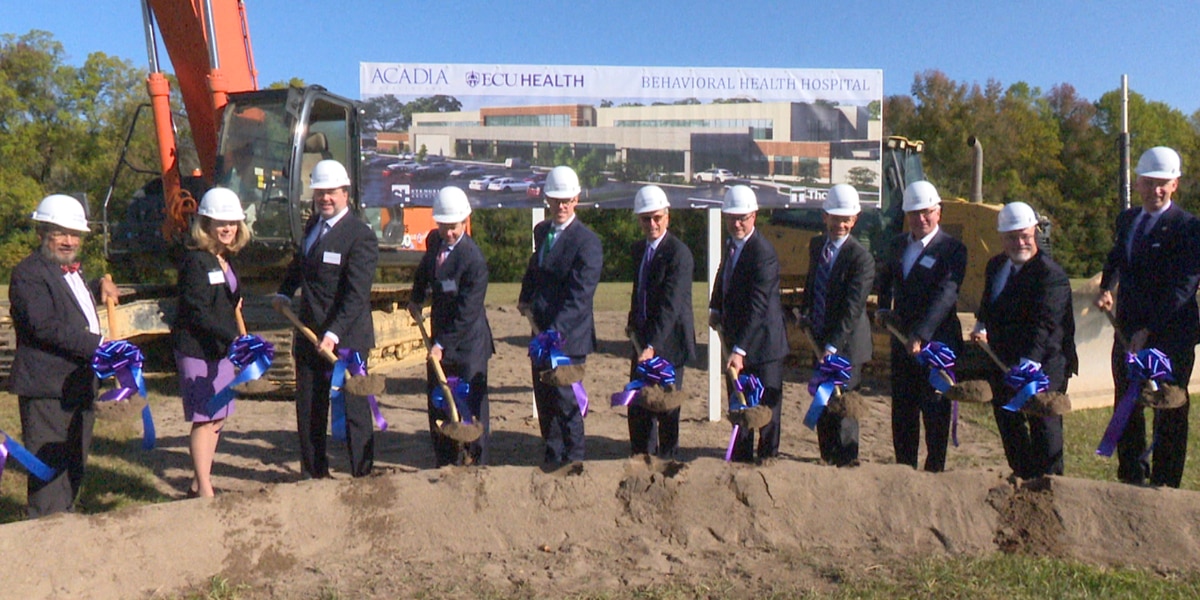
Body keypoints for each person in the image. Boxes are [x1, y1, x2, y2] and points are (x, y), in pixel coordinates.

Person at [1095, 146, 1200, 487]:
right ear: (1137, 183)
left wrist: (1149, 331)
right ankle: (1131, 476)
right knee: (1127, 405)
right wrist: (1106, 286)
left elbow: (1183, 289)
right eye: (1149, 182)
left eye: (1163, 183)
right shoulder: (1128, 220)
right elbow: (1116, 257)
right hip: (1126, 331)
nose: (1155, 190)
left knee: (1168, 410)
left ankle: (1166, 485)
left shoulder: (1189, 228)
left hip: (1171, 336)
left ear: (1174, 185)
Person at [9, 194, 118, 517]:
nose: (69, 241)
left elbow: (70, 303)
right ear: (42, 232)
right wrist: (97, 345)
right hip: (46, 388)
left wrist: (100, 284)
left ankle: (65, 529)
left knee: (74, 464)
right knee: (50, 471)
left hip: (78, 384)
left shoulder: (69, 271)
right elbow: (44, 326)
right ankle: (44, 537)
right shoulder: (28, 273)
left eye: (75, 235)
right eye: (60, 233)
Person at [275, 159, 379, 479]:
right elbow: (300, 266)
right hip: (308, 333)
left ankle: (361, 474)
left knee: (354, 410)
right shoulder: (312, 228)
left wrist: (334, 333)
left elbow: (356, 294)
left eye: (331, 192)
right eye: (320, 192)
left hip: (346, 339)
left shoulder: (359, 236)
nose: (325, 198)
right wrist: (284, 291)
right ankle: (314, 475)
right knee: (309, 408)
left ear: (345, 193)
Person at [972, 202, 1076, 479]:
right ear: (1002, 238)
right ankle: (1023, 476)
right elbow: (989, 302)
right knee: (1008, 418)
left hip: (1044, 362)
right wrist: (981, 324)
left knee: (1043, 421)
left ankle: (1051, 482)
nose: (1020, 243)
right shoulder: (996, 266)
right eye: (1012, 237)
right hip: (1003, 358)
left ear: (1035, 233)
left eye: (1025, 236)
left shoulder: (1050, 275)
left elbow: (1046, 325)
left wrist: (1029, 363)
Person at [876, 180, 967, 472]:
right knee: (903, 408)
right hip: (902, 340)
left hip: (936, 344)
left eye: (927, 212)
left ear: (938, 211)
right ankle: (904, 468)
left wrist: (922, 335)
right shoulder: (898, 245)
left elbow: (946, 295)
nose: (922, 219)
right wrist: (882, 306)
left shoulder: (952, 249)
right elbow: (886, 277)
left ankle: (934, 470)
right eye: (915, 213)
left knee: (934, 407)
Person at [518, 165, 603, 464]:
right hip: (540, 333)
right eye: (556, 200)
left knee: (567, 402)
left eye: (567, 200)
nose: (562, 206)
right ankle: (553, 457)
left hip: (568, 339)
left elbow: (579, 297)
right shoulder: (542, 232)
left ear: (577, 199)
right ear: (548, 200)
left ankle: (575, 460)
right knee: (545, 402)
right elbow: (535, 269)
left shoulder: (587, 243)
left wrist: (554, 333)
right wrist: (525, 299)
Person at [171, 188, 251, 497]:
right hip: (198, 351)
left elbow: (229, 302)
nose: (228, 228)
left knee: (218, 417)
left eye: (232, 222)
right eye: (221, 222)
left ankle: (197, 482)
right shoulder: (196, 261)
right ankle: (205, 490)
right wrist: (233, 338)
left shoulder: (224, 259)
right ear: (205, 224)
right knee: (205, 418)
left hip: (221, 351)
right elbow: (197, 311)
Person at [408, 186, 494, 466]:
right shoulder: (435, 243)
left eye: (454, 227)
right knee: (439, 398)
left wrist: (441, 345)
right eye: (443, 226)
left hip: (468, 342)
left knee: (470, 401)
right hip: (439, 336)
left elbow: (467, 313)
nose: (449, 233)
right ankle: (445, 458)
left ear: (465, 222)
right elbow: (424, 272)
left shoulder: (474, 261)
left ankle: (475, 459)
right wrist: (416, 299)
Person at [709, 185, 788, 463]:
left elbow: (758, 306)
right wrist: (715, 306)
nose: (737, 223)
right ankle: (741, 459)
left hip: (764, 346)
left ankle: (768, 460)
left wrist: (740, 350)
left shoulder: (762, 252)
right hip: (736, 341)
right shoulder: (732, 244)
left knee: (766, 411)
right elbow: (723, 275)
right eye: (731, 217)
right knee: (740, 406)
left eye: (742, 217)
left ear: (754, 215)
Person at [799, 184, 874, 467]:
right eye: (835, 218)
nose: (840, 224)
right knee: (823, 399)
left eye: (846, 219)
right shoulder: (818, 246)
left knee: (844, 405)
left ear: (854, 220)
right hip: (819, 339)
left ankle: (846, 459)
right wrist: (805, 313)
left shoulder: (861, 258)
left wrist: (833, 346)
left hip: (847, 345)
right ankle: (826, 457)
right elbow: (812, 283)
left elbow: (852, 310)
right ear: (825, 216)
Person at [625, 185, 695, 458]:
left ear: (667, 216)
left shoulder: (679, 254)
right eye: (646, 219)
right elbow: (639, 292)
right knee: (639, 407)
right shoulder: (639, 251)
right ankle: (641, 460)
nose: (652, 224)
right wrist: (633, 325)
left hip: (668, 345)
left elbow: (671, 305)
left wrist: (652, 345)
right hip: (642, 344)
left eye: (657, 217)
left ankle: (667, 463)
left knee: (666, 408)